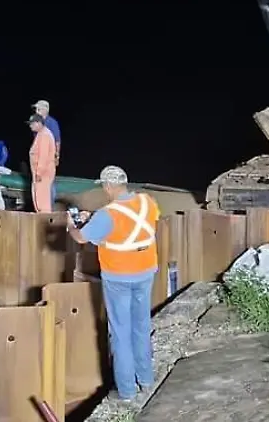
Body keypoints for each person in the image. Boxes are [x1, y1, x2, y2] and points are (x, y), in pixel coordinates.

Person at [67, 165, 160, 403]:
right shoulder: (147, 201)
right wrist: (94, 217)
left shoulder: (107, 214)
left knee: (120, 333)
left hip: (119, 277)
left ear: (108, 186)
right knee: (141, 326)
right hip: (146, 272)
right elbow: (130, 218)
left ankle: (128, 392)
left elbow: (81, 237)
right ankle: (147, 380)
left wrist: (71, 224)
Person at [27, 114, 57, 213]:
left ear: (38, 123)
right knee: (39, 198)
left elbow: (43, 156)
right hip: (41, 172)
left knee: (42, 200)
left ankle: (43, 222)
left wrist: (39, 172)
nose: (30, 126)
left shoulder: (45, 135)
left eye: (32, 124)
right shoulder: (42, 133)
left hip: (43, 173)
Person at [32, 100, 61, 164]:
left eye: (38, 109)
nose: (36, 111)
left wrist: (57, 156)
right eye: (36, 109)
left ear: (44, 110)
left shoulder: (52, 123)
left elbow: (57, 141)